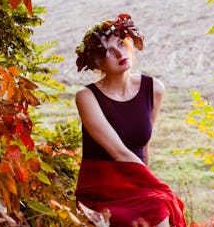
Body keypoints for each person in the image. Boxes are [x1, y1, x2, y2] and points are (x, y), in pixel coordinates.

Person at [73, 13, 186, 227]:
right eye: (109, 51)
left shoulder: (153, 89)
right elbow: (119, 152)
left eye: (121, 44)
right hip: (100, 189)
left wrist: (148, 189)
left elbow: (143, 145)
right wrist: (158, 187)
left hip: (134, 180)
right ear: (98, 63)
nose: (119, 53)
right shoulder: (86, 97)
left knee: (159, 207)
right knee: (159, 207)